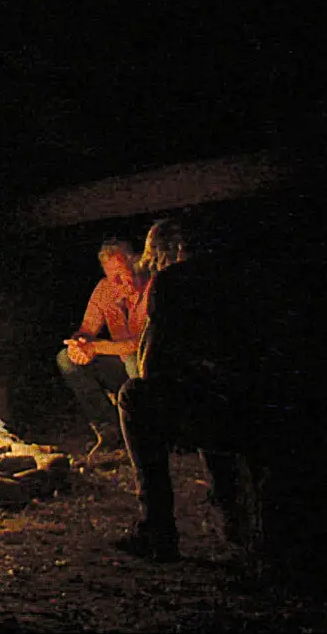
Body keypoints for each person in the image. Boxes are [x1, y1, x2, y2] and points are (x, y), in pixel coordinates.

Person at [115, 222, 248, 563]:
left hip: (224, 405)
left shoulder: (174, 281)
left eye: (155, 258)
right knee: (207, 386)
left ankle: (157, 529)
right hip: (261, 398)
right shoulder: (239, 272)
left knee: (134, 395)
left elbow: (152, 361)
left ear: (170, 251)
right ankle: (233, 511)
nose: (154, 266)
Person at [55, 236, 153, 450]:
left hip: (151, 369)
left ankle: (150, 432)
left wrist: (96, 347)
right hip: (121, 367)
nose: (116, 284)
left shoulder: (153, 287)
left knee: (133, 362)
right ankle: (110, 428)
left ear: (136, 265)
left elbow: (141, 344)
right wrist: (79, 343)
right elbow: (87, 327)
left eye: (120, 275)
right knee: (66, 359)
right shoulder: (106, 288)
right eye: (111, 277)